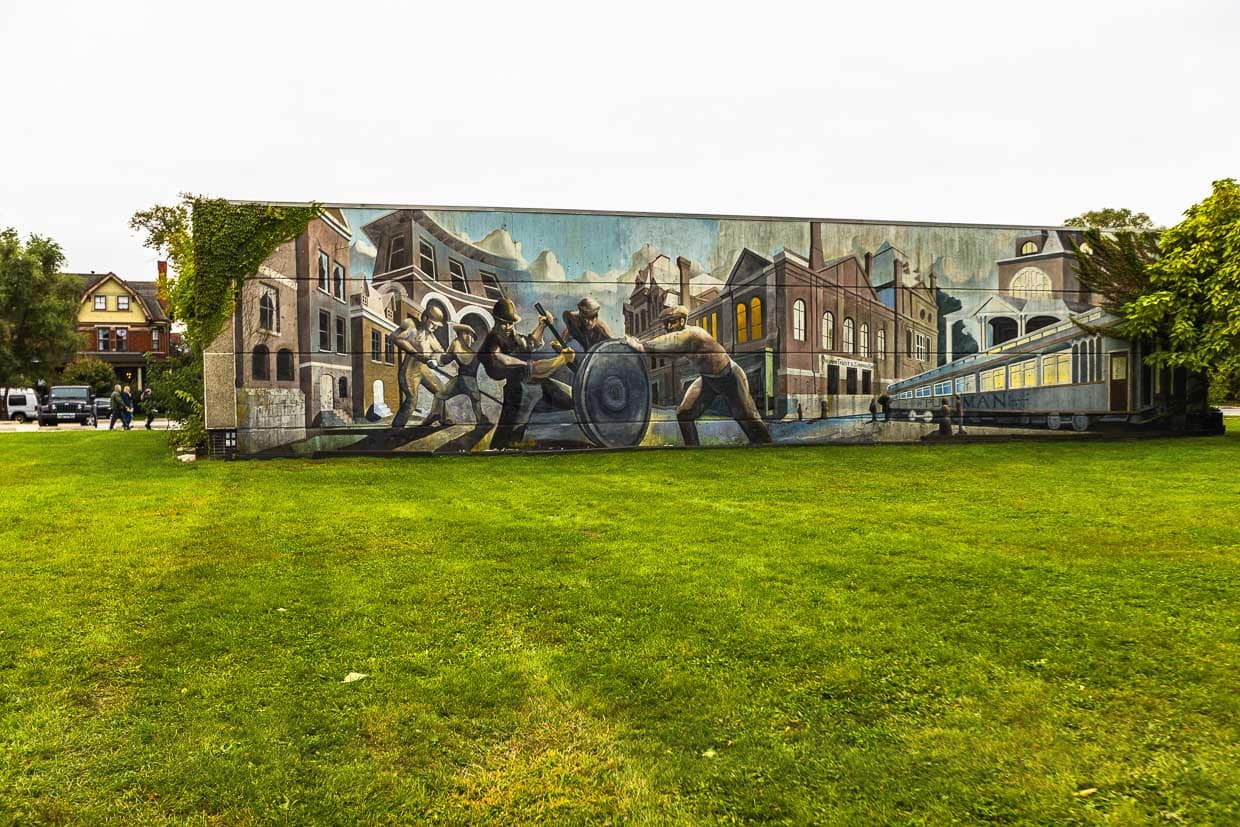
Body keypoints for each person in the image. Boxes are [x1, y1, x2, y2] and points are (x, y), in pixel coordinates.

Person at [625, 305, 771, 446]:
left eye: (672, 322)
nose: (668, 327)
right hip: (708, 379)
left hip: (730, 377)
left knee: (748, 419)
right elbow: (667, 350)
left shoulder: (693, 333)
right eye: (666, 324)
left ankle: (766, 445)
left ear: (682, 321)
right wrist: (642, 346)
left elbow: (672, 342)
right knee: (684, 414)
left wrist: (639, 344)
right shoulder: (681, 336)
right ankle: (692, 448)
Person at [478, 298, 576, 450]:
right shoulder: (493, 344)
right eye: (503, 323)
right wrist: (561, 359)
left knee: (572, 402)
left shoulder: (512, 337)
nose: (508, 327)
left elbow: (530, 343)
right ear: (496, 321)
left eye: (510, 323)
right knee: (508, 437)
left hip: (537, 386)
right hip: (518, 393)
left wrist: (542, 326)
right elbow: (529, 368)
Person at [391, 306, 447, 428]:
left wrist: (435, 359)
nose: (435, 327)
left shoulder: (431, 336)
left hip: (423, 368)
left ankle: (436, 415)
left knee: (442, 391)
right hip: (410, 370)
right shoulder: (411, 326)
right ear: (425, 317)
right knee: (412, 399)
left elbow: (439, 350)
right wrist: (417, 354)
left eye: (437, 325)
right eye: (433, 323)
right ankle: (396, 428)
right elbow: (395, 337)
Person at [433, 324, 489, 425]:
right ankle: (440, 417)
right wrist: (436, 363)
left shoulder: (472, 353)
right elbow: (445, 359)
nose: (468, 338)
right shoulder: (456, 346)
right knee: (440, 395)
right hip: (460, 380)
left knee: (475, 400)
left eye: (470, 335)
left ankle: (481, 420)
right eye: (465, 333)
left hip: (469, 381)